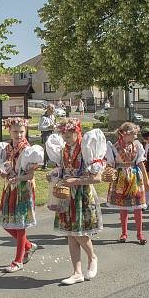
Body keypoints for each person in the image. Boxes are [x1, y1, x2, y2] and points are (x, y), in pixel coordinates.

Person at [50, 118, 104, 285]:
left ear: (77, 132)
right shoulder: (63, 150)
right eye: (63, 135)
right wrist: (54, 176)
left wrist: (76, 181)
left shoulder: (87, 149)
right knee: (70, 234)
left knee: (79, 233)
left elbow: (97, 179)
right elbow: (63, 170)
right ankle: (77, 272)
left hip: (82, 194)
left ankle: (92, 257)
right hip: (66, 195)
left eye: (68, 134)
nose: (65, 138)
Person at [0, 118, 42, 273]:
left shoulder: (28, 150)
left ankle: (18, 261)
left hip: (23, 189)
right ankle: (29, 246)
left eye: (22, 131)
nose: (19, 135)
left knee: (20, 225)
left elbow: (30, 175)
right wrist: (2, 171)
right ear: (9, 131)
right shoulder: (7, 148)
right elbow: (7, 166)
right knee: (6, 223)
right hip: (10, 188)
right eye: (15, 132)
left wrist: (18, 178)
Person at [105, 123, 149, 245]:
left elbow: (140, 163)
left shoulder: (137, 145)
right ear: (125, 134)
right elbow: (110, 164)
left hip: (135, 177)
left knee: (138, 206)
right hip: (121, 178)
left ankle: (140, 234)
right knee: (123, 207)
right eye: (134, 133)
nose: (136, 135)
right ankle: (124, 233)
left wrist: (146, 180)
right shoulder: (114, 147)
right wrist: (109, 172)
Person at [38, 105, 56, 169]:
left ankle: (50, 161)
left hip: (52, 133)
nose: (53, 112)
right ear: (48, 110)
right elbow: (39, 128)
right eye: (51, 111)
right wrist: (48, 127)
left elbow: (54, 124)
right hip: (45, 134)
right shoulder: (43, 118)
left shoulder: (53, 116)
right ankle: (44, 164)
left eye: (53, 111)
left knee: (52, 148)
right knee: (47, 148)